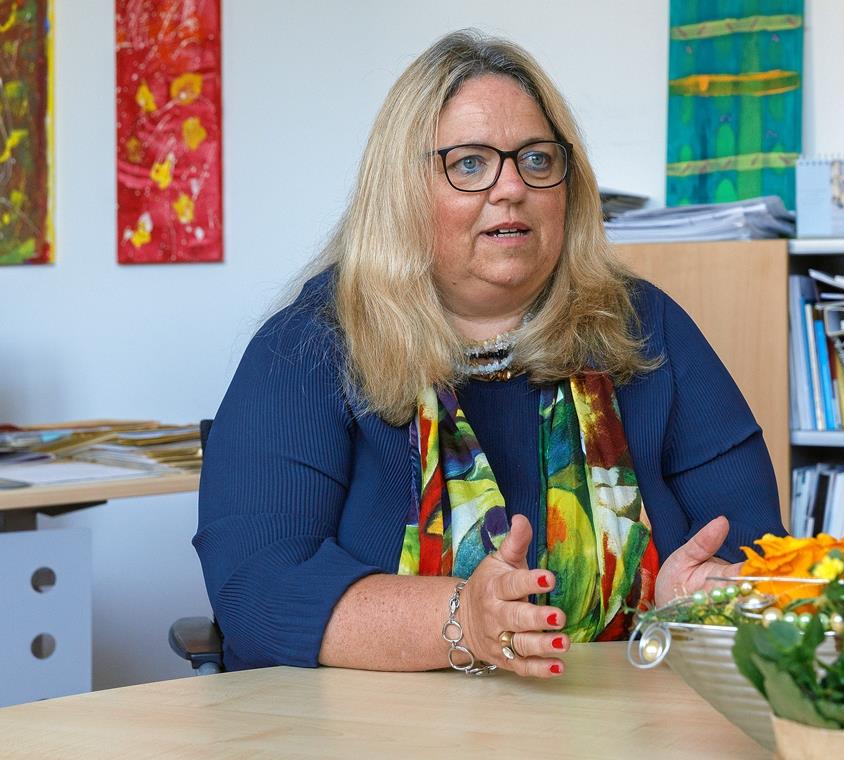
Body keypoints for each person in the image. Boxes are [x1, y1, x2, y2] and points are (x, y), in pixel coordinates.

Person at [195, 29, 784, 679]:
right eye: (469, 163)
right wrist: (460, 619)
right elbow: (258, 589)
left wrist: (697, 611)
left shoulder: (643, 328)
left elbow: (760, 553)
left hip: (629, 723)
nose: (511, 188)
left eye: (535, 160)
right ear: (402, 190)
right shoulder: (309, 347)